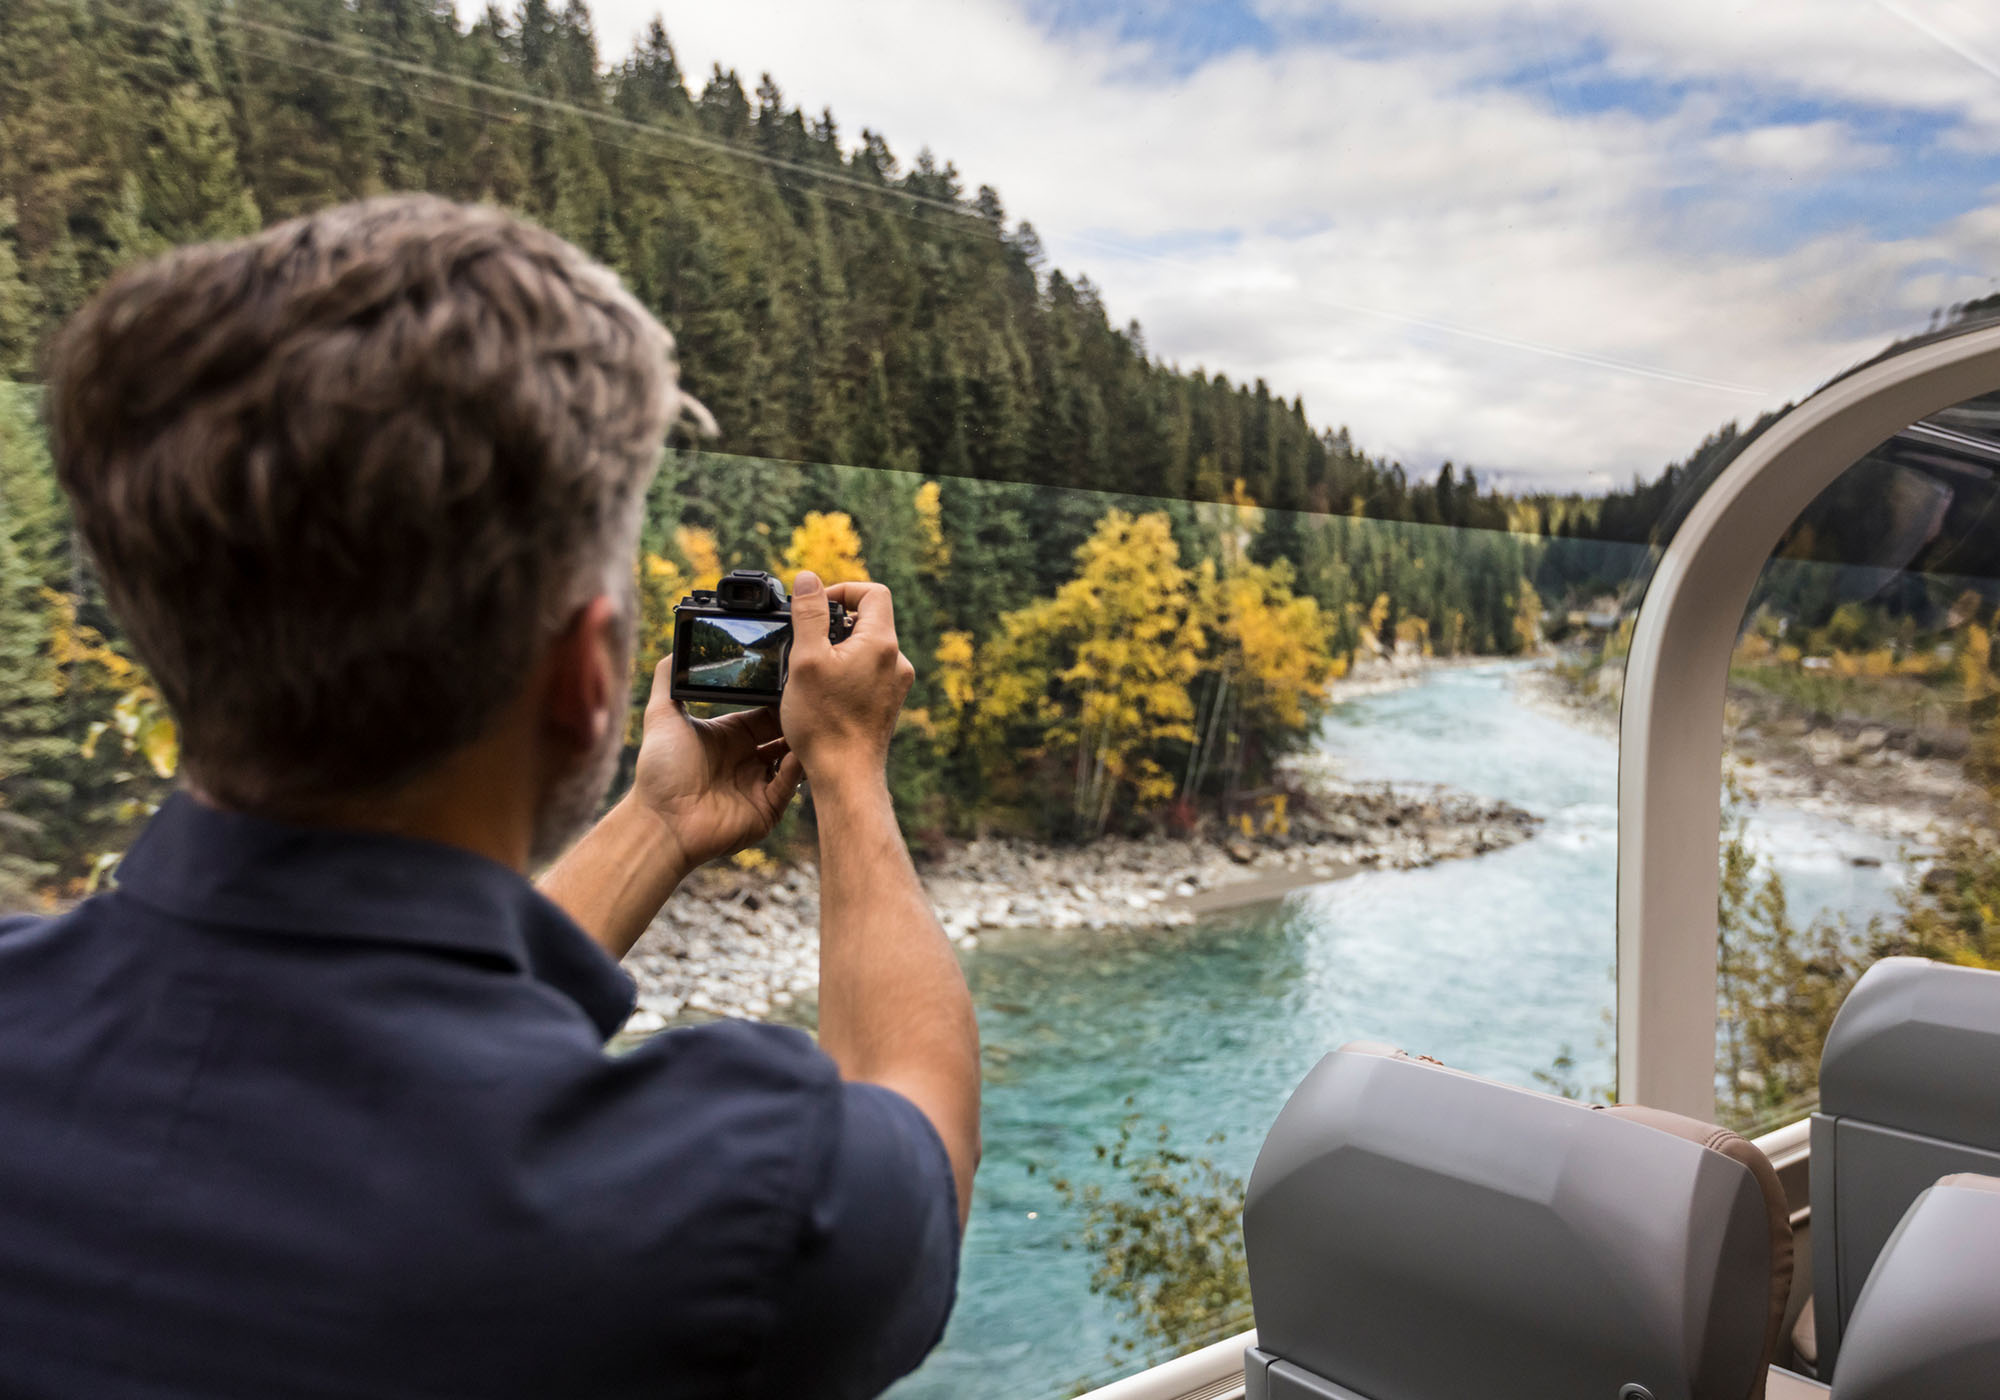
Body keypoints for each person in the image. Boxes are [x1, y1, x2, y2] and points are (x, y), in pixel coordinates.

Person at [0, 195, 980, 1399]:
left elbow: (364, 1047)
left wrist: (659, 822)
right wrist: (842, 762)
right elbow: (920, 1129)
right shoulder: (712, 1204)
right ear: (583, 677)